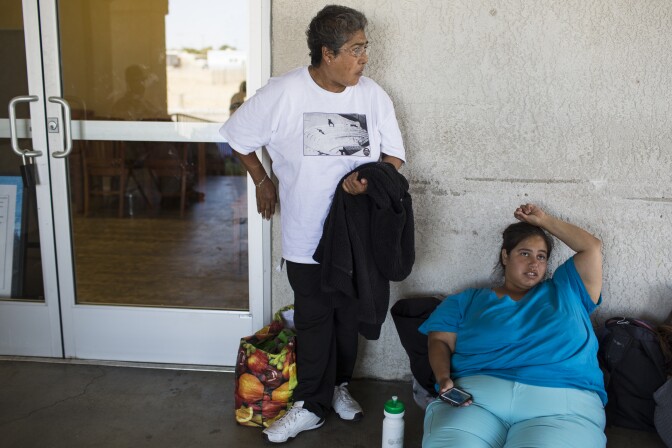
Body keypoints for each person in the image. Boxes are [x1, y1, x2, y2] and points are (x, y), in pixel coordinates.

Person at [219, 5, 405, 444]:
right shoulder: (284, 93)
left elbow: (394, 157)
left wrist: (367, 181)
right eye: (356, 49)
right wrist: (263, 179)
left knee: (348, 316)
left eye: (365, 48)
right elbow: (237, 136)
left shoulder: (372, 95)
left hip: (356, 235)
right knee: (315, 317)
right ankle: (309, 405)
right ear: (327, 52)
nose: (364, 58)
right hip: (307, 235)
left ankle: (337, 387)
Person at [419, 204, 607, 448]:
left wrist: (544, 221)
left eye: (541, 256)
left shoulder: (568, 289)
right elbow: (440, 341)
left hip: (561, 404)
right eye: (525, 253)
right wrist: (443, 378)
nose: (534, 264)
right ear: (505, 256)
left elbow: (591, 247)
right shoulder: (467, 300)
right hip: (476, 400)